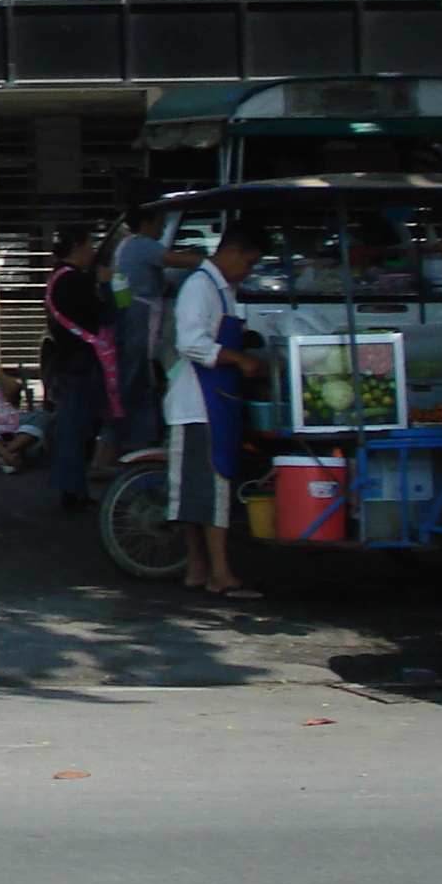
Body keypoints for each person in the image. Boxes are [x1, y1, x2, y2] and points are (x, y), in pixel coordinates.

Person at [166, 217, 271, 600]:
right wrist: (238, 360)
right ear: (231, 251)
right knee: (211, 490)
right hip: (198, 402)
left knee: (200, 491)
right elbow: (190, 342)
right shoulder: (200, 287)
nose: (250, 271)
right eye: (250, 262)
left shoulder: (224, 290)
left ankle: (199, 568)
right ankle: (219, 573)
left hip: (217, 401)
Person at [40, 223, 119, 512]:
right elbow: (108, 315)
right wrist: (112, 286)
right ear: (77, 247)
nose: (93, 252)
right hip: (83, 363)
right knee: (78, 430)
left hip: (65, 361)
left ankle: (71, 489)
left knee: (71, 427)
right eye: (90, 245)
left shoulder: (56, 278)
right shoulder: (79, 282)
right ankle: (73, 492)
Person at [106, 207, 195, 454]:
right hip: (138, 319)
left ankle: (137, 439)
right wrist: (212, 261)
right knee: (134, 378)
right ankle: (115, 445)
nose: (163, 228)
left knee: (140, 378)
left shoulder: (126, 245)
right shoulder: (142, 245)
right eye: (159, 222)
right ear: (147, 223)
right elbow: (174, 260)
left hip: (132, 317)